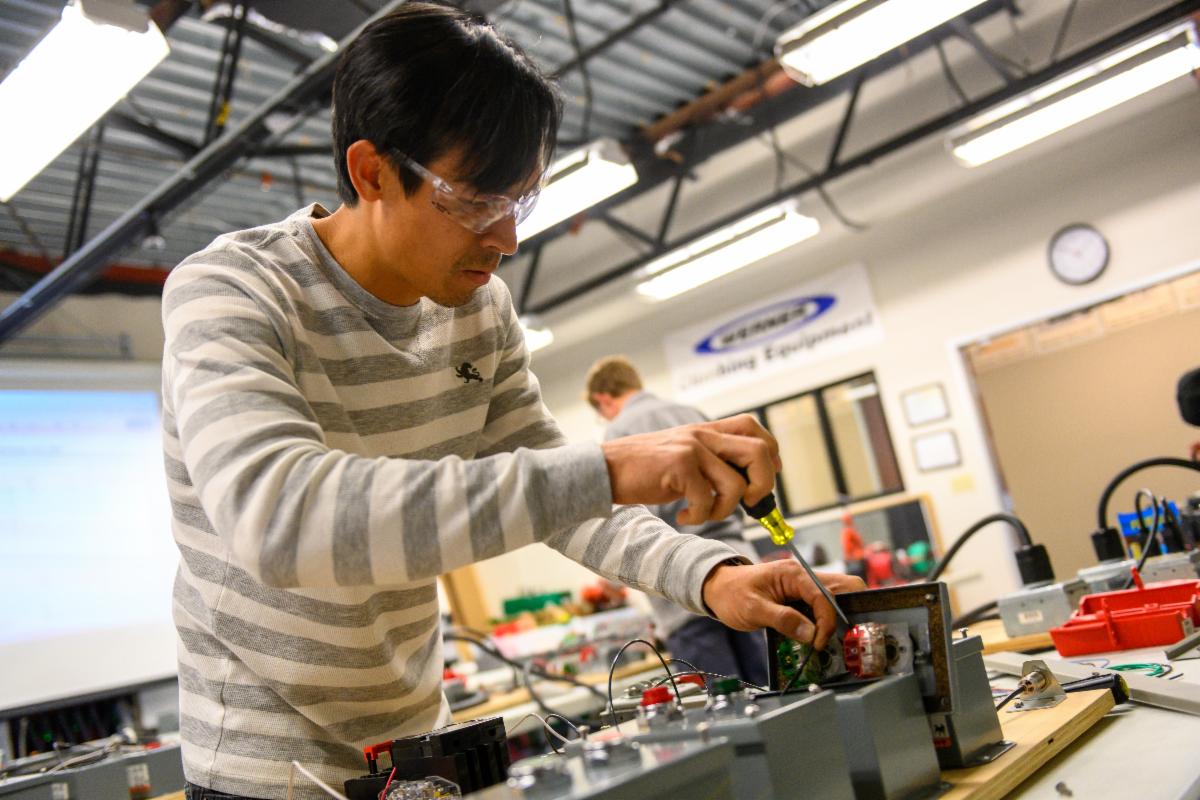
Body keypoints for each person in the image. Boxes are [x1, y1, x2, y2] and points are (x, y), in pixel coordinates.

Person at [161, 5, 862, 797]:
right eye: (474, 202)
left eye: (519, 202)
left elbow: (564, 502)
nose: (507, 240)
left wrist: (714, 575)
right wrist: (612, 468)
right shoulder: (232, 290)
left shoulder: (478, 311)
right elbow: (279, 520)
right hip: (262, 770)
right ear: (372, 173)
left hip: (416, 745)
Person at [585, 356, 769, 686]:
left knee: (721, 702)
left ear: (603, 400)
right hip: (739, 566)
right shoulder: (691, 415)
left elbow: (633, 523)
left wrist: (610, 581)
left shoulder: (619, 433)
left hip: (684, 592)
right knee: (771, 688)